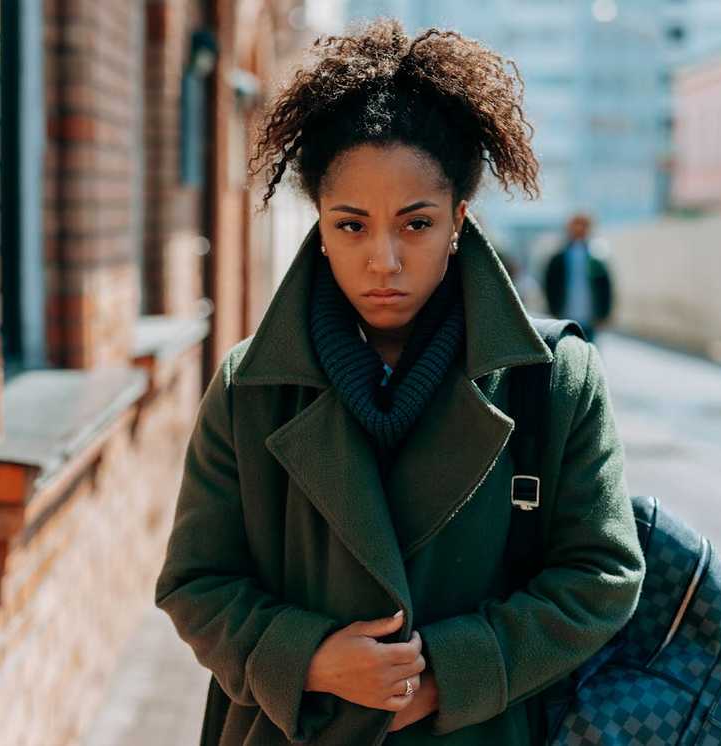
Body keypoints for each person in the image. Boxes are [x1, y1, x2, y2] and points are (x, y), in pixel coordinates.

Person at [155, 20, 644, 746]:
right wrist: (310, 660)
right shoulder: (251, 385)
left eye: (415, 225)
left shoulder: (554, 379)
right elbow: (196, 582)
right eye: (351, 226)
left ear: (459, 219)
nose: (383, 260)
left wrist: (452, 673)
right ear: (319, 222)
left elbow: (602, 574)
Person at [541, 214, 614, 343]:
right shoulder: (558, 257)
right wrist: (553, 310)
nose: (579, 229)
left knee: (590, 355)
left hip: (590, 318)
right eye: (576, 225)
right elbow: (549, 285)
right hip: (564, 318)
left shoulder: (597, 256)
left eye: (583, 225)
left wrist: (604, 314)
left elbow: (606, 287)